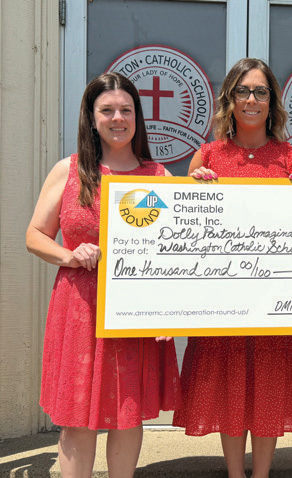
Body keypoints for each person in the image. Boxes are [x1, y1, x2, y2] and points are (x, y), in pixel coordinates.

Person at [172, 58, 292, 478]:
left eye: (260, 91)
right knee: (229, 382)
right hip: (223, 299)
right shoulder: (207, 156)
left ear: (272, 100)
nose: (251, 99)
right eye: (243, 91)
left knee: (270, 381)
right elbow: (186, 233)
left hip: (275, 299)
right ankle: (236, 474)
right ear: (229, 100)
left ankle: (262, 474)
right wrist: (194, 190)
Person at [26, 72, 181, 478]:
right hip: (80, 309)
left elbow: (175, 252)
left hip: (135, 312)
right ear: (91, 117)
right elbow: (33, 236)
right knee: (77, 416)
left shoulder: (158, 176)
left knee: (127, 413)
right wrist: (69, 254)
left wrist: (168, 312)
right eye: (107, 110)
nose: (117, 118)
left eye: (126, 110)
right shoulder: (69, 169)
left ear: (137, 117)